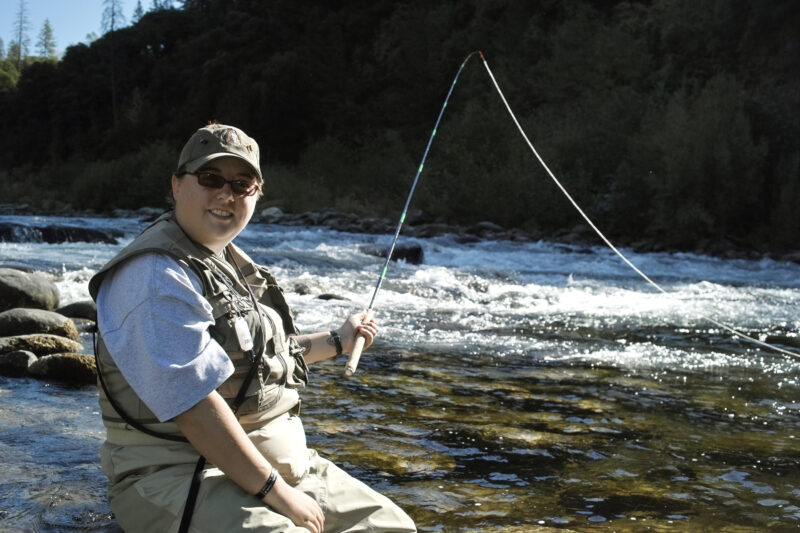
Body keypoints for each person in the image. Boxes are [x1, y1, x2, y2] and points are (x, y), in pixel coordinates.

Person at [88, 123, 417, 533]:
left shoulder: (225, 261)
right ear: (176, 185)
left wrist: (338, 340)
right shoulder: (154, 275)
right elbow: (194, 407)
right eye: (210, 178)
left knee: (395, 527)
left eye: (242, 184)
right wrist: (277, 493)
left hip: (284, 469)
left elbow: (260, 357)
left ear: (256, 196)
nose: (226, 194)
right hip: (181, 478)